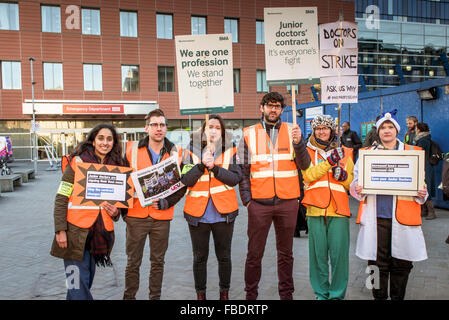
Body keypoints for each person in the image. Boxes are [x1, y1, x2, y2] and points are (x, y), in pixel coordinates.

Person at [239, 91, 311, 300]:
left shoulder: (293, 130)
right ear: (262, 108)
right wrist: (247, 201)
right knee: (254, 254)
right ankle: (250, 296)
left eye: (277, 106)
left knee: (286, 254)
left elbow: (304, 165)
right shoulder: (249, 133)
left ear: (282, 109)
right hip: (259, 204)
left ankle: (286, 295)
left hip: (288, 202)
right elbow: (242, 169)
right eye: (269, 105)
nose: (273, 109)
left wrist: (299, 143)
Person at [350, 110, 428, 300]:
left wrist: (422, 193)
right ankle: (377, 297)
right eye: (383, 127)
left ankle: (397, 297)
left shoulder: (412, 153)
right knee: (375, 264)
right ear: (378, 131)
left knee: (402, 263)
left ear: (396, 130)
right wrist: (357, 188)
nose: (386, 131)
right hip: (376, 218)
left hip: (403, 218)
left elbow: (421, 184)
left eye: (390, 127)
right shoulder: (367, 154)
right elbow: (355, 182)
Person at [51, 124, 125, 300]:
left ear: (114, 143)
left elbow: (118, 206)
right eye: (100, 138)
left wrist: (116, 212)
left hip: (99, 236)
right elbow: (61, 196)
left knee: (80, 284)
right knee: (78, 286)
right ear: (92, 140)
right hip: (74, 234)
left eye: (109, 139)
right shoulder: (77, 162)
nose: (104, 143)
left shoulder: (117, 167)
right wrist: (60, 230)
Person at [122, 109, 186, 300]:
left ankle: (154, 298)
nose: (159, 128)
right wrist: (124, 212)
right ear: (146, 127)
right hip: (135, 216)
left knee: (158, 262)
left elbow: (182, 185)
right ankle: (129, 297)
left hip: (161, 217)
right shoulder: (130, 149)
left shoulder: (177, 152)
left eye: (162, 125)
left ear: (166, 128)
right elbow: (120, 179)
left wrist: (168, 202)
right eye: (154, 124)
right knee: (133, 262)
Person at [181, 114, 241, 300]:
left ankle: (224, 294)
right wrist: (201, 166)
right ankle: (201, 296)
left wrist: (214, 168)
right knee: (199, 258)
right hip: (197, 215)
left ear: (222, 132)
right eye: (210, 126)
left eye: (217, 127)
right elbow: (186, 180)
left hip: (224, 214)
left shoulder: (231, 150)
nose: (213, 130)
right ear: (203, 130)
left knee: (224, 257)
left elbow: (234, 179)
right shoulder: (189, 150)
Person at [301, 114, 354, 300]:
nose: (321, 131)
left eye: (325, 128)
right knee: (318, 258)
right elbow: (308, 175)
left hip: (339, 210)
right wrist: (329, 162)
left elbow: (352, 183)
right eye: (318, 128)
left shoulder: (345, 152)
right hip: (315, 209)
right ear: (313, 131)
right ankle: (321, 294)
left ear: (331, 130)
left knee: (340, 258)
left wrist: (343, 176)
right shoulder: (305, 151)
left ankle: (337, 295)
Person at [414, 122, 436, 220]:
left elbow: (418, 152)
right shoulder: (426, 138)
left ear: (418, 129)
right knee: (424, 186)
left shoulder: (422, 140)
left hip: (424, 166)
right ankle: (425, 210)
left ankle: (431, 212)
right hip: (425, 165)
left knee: (425, 187)